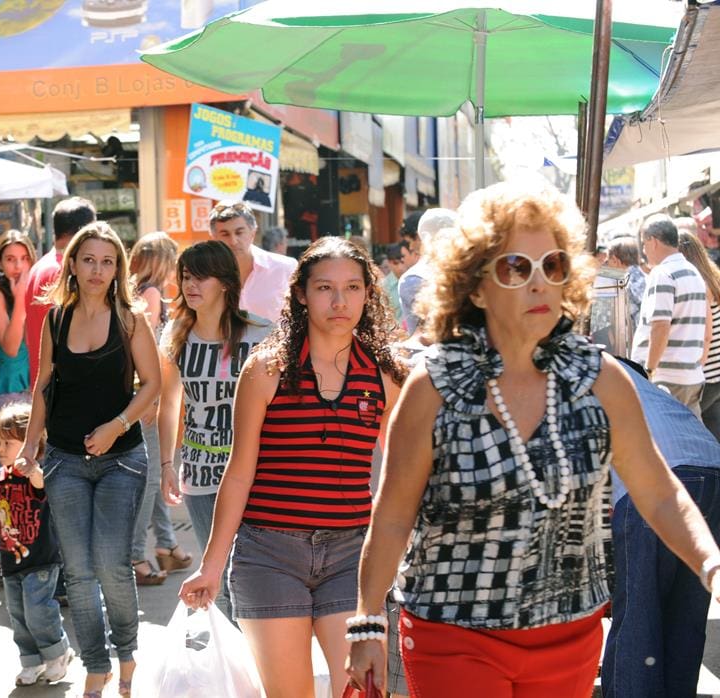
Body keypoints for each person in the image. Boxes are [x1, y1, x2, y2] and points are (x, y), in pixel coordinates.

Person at [347, 181, 720, 698]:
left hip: (570, 633)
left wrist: (709, 561)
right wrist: (367, 623)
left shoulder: (599, 377)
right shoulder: (435, 384)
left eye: (554, 265)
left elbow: (657, 491)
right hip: (453, 629)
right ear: (474, 285)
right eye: (516, 267)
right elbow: (391, 518)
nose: (540, 281)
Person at [179, 237, 405, 697]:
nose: (340, 301)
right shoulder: (266, 368)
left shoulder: (385, 374)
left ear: (368, 294)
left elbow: (407, 471)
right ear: (301, 293)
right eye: (325, 288)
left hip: (352, 556)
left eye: (353, 288)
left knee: (361, 690)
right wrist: (210, 565)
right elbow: (239, 472)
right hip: (269, 554)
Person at [18, 221, 161, 698]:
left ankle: (127, 653)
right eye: (88, 260)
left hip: (121, 458)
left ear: (117, 267)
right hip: (63, 458)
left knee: (111, 564)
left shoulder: (130, 319)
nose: (98, 270)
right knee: (77, 570)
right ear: (72, 265)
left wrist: (116, 426)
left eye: (107, 261)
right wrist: (28, 444)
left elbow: (153, 386)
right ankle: (96, 666)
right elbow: (42, 385)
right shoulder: (58, 317)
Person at [158, 240, 271, 618]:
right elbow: (170, 403)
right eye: (186, 276)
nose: (191, 285)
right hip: (201, 472)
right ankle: (235, 667)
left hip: (255, 471)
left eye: (201, 276)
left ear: (224, 282)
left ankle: (260, 658)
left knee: (251, 570)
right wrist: (166, 465)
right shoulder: (176, 335)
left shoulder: (260, 334)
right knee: (215, 572)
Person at [601, 359, 720, 698]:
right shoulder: (658, 395)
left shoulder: (597, 381)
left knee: (639, 617)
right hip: (714, 476)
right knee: (685, 621)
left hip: (660, 484)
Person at [0, 401, 74, 687]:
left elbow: (42, 484)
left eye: (8, 442)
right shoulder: (0, 477)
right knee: (18, 615)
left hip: (41, 557)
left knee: (38, 609)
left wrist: (32, 466)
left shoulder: (37, 472)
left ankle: (58, 652)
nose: (1, 449)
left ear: (31, 441)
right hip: (10, 560)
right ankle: (31, 662)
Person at [127, 231, 190, 585]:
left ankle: (166, 546)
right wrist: (152, 397)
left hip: (147, 396)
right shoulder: (150, 294)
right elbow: (146, 351)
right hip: (149, 398)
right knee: (152, 478)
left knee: (156, 475)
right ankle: (137, 556)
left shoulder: (140, 292)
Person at [631, 214, 709, 416]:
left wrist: (649, 370)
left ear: (653, 241)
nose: (645, 252)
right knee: (690, 441)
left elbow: (660, 326)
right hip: (690, 376)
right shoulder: (693, 272)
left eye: (644, 244)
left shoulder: (662, 273)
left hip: (667, 378)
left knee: (666, 442)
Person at [0, 230, 36, 474]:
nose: (19, 265)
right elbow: (11, 348)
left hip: (33, 387)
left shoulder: (34, 290)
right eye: (11, 258)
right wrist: (21, 300)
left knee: (35, 463)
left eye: (24, 258)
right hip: (6, 389)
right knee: (8, 466)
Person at [24, 197, 97, 383]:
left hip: (46, 383)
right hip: (61, 385)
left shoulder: (40, 267)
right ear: (84, 232)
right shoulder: (62, 271)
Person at [208, 201, 295, 323]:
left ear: (253, 233)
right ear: (214, 238)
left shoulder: (285, 268)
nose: (233, 241)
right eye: (225, 234)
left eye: (239, 232)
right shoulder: (205, 274)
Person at [678, 231, 720, 439]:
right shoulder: (712, 276)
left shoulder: (699, 284)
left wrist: (697, 370)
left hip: (709, 373)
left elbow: (706, 335)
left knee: (692, 430)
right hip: (717, 369)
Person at [398, 208, 457, 336]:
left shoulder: (414, 278)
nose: (411, 247)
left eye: (411, 241)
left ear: (423, 238)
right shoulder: (414, 278)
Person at [605, 235, 646, 333]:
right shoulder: (647, 277)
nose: (606, 264)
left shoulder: (623, 286)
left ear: (615, 260)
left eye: (608, 260)